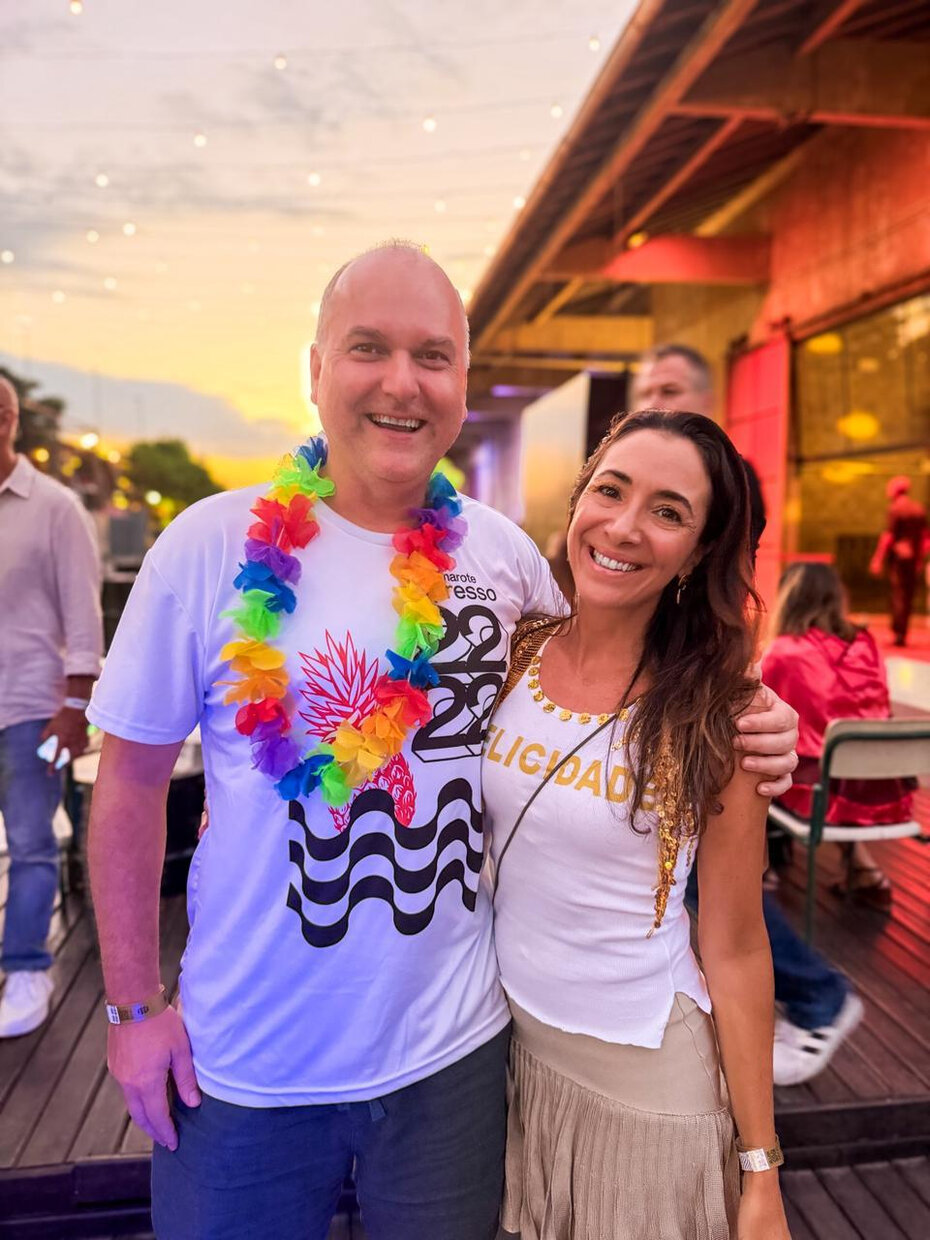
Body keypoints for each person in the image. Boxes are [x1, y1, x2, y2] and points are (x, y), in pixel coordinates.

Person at [86, 243, 798, 1240]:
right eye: (368, 348)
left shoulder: (502, 558)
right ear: (316, 369)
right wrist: (129, 1009)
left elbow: (617, 658)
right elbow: (124, 790)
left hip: (456, 1066)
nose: (401, 382)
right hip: (242, 1061)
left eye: (432, 355)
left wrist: (752, 711)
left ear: (463, 382)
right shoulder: (208, 546)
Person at [487, 409, 789, 1239]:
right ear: (579, 498)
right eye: (610, 490)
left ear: (697, 554)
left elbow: (734, 945)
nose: (623, 526)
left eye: (668, 511)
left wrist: (760, 1168)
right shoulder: (511, 651)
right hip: (510, 1059)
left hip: (645, 1084)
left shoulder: (716, 716)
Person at [632, 344, 862, 1094]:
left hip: (692, 701)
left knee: (707, 877)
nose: (653, 398)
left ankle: (815, 994)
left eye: (669, 387)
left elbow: (721, 608)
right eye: (645, 388)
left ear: (706, 394)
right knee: (692, 877)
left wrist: (746, 702)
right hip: (659, 696)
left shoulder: (727, 483)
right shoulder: (651, 476)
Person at [0, 376, 103, 1037]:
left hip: (31, 708)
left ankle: (28, 965)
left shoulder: (55, 508)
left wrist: (75, 705)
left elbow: (83, 614)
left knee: (34, 843)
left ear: (8, 418)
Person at [763, 562, 911, 905]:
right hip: (883, 786)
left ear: (791, 598)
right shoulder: (865, 643)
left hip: (818, 792)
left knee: (749, 747)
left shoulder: (786, 651)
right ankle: (863, 867)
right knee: (831, 758)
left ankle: (757, 866)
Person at [869, 475, 928, 647]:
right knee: (908, 595)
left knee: (898, 595)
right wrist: (919, 558)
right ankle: (902, 631)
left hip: (899, 558)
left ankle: (898, 633)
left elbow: (889, 536)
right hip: (913, 558)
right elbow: (925, 537)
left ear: (895, 490)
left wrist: (878, 558)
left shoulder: (895, 509)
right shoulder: (918, 509)